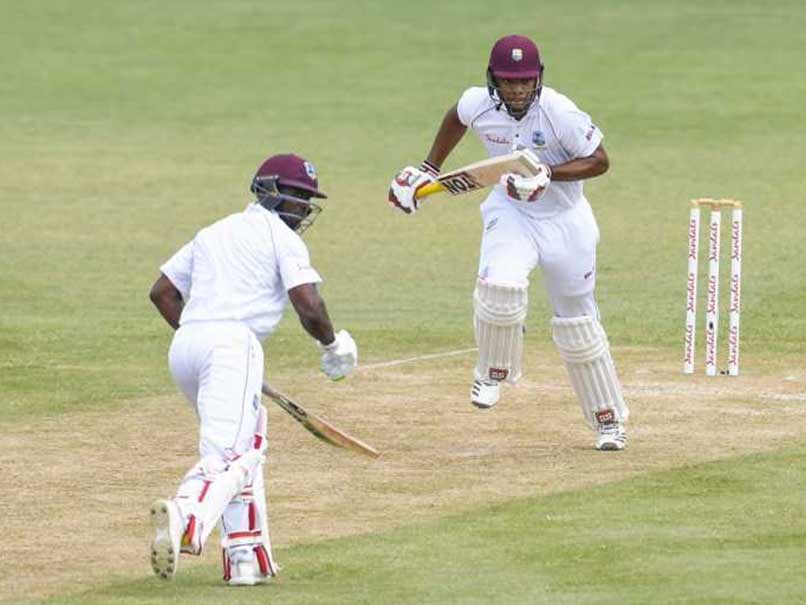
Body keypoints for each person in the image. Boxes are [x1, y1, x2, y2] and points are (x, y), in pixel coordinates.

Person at [388, 34, 629, 451]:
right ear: (492, 80)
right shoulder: (476, 102)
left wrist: (549, 174)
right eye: (507, 81)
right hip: (511, 211)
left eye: (524, 81)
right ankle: (492, 371)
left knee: (578, 324)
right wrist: (428, 168)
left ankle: (608, 420)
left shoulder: (559, 112)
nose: (516, 90)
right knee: (500, 287)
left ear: (537, 78)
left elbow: (601, 160)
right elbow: (456, 118)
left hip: (566, 220)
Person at [148, 153, 358, 585]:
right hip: (231, 345)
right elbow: (309, 304)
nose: (302, 208)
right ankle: (185, 514)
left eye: (307, 199)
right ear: (270, 191)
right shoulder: (284, 239)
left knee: (250, 440)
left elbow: (163, 293)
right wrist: (333, 345)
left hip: (187, 345)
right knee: (231, 455)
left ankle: (246, 558)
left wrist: (207, 339)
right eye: (297, 196)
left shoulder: (214, 231)